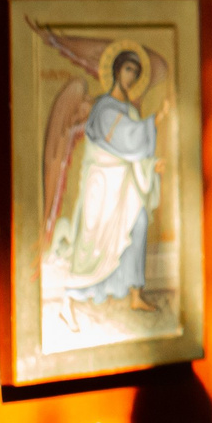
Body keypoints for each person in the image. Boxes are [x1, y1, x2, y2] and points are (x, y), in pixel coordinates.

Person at [45, 43, 162, 325]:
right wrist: (154, 122)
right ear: (116, 71)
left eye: (136, 72)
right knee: (92, 247)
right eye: (128, 69)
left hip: (126, 183)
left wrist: (150, 165)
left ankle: (135, 293)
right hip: (103, 185)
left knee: (140, 223)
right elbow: (126, 137)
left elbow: (134, 151)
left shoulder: (129, 111)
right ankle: (68, 300)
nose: (131, 77)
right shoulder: (103, 108)